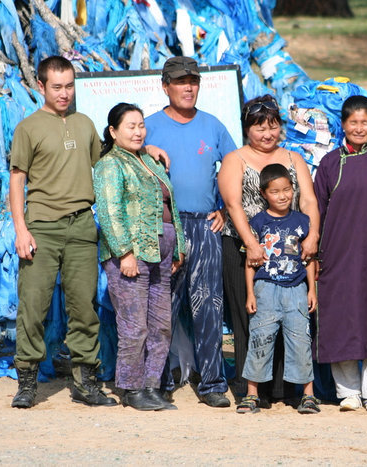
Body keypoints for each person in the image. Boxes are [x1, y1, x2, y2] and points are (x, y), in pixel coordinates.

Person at [9, 56, 116, 408]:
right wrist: (21, 229)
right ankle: (26, 381)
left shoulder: (85, 123)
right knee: (33, 306)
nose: (64, 93)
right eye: (56, 87)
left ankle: (85, 381)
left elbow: (105, 165)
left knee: (84, 307)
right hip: (42, 227)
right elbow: (17, 179)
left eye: (69, 86)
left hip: (83, 225)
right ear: (41, 86)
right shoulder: (29, 127)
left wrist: (146, 151)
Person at [143, 56, 237, 408]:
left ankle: (212, 382)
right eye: (180, 81)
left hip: (204, 224)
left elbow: (234, 166)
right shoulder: (148, 126)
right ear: (164, 85)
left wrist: (226, 210)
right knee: (164, 304)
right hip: (166, 226)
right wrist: (144, 148)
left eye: (193, 81)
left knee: (208, 305)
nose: (188, 87)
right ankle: (159, 379)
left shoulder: (212, 126)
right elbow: (119, 157)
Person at [218, 94, 320, 402]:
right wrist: (252, 245)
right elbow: (233, 204)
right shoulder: (235, 159)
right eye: (260, 127)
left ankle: (287, 389)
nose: (267, 134)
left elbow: (309, 200)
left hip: (290, 252)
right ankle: (252, 390)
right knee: (250, 317)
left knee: (293, 318)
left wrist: (313, 235)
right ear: (247, 128)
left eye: (273, 126)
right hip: (243, 249)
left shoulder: (293, 158)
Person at [93, 103, 186, 411]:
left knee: (161, 325)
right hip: (131, 254)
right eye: (130, 126)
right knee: (134, 326)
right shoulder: (110, 164)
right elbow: (109, 212)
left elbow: (170, 206)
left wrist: (179, 247)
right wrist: (125, 254)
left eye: (141, 125)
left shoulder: (149, 159)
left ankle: (151, 385)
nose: (137, 131)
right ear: (113, 131)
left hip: (161, 251)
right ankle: (132, 389)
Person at [313, 95, 367, 412]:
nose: (359, 128)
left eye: (365, 122)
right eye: (353, 122)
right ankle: (347, 391)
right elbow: (317, 210)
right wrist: (316, 251)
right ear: (343, 125)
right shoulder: (330, 163)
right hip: (338, 254)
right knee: (343, 319)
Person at [235, 164, 320, 415]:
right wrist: (250, 293)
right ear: (263, 193)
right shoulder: (258, 222)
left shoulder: (304, 222)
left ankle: (308, 396)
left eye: (287, 189)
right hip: (265, 290)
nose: (282, 195)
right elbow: (250, 262)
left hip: (296, 290)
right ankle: (252, 395)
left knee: (301, 341)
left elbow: (310, 259)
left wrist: (311, 290)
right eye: (275, 191)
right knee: (260, 339)